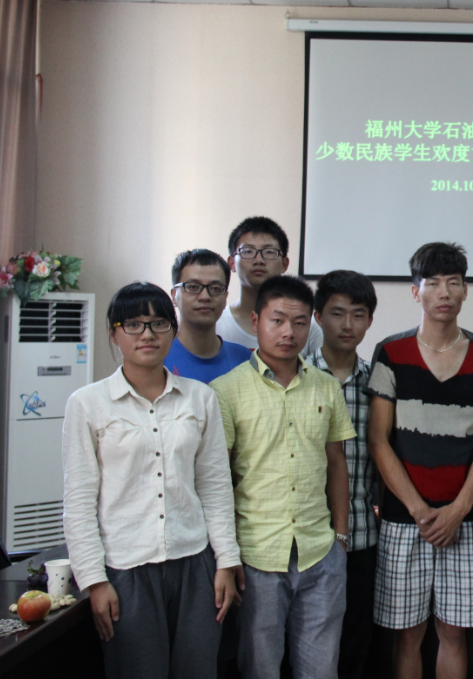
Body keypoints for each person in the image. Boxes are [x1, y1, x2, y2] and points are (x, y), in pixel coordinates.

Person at [62, 282, 242, 679]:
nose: (147, 334)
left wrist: (226, 562)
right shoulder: (87, 404)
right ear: (113, 334)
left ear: (173, 331)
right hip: (125, 567)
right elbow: (79, 500)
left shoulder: (200, 398)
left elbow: (214, 486)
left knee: (198, 670)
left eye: (159, 323)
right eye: (133, 324)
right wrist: (94, 581)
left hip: (195, 562)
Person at [366, 242, 473, 679]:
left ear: (465, 291)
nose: (444, 292)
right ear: (415, 291)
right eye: (433, 283)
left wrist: (458, 511)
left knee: (453, 634)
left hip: (466, 519)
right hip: (406, 518)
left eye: (454, 283)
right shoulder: (391, 352)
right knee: (408, 635)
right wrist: (419, 510)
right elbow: (379, 440)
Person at [210, 275, 355, 679]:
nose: (288, 332)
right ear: (256, 321)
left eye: (299, 322)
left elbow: (336, 463)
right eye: (277, 320)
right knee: (260, 669)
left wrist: (340, 538)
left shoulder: (327, 387)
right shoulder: (225, 391)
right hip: (256, 555)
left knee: (321, 670)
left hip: (320, 551)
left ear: (311, 325)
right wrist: (227, 555)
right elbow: (218, 480)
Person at [307, 270, 380, 679]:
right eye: (337, 313)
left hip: (364, 536)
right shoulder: (297, 378)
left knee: (355, 643)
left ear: (369, 320)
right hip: (308, 539)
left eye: (358, 314)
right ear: (318, 318)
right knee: (305, 645)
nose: (348, 324)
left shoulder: (378, 384)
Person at [216, 216, 323, 359]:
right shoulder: (216, 324)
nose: (259, 260)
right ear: (231, 263)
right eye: (248, 251)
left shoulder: (307, 326)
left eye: (269, 252)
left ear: (285, 264)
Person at [166, 248, 252, 383]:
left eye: (215, 289)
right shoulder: (158, 358)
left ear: (225, 297)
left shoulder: (244, 359)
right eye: (193, 287)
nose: (205, 297)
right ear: (174, 296)